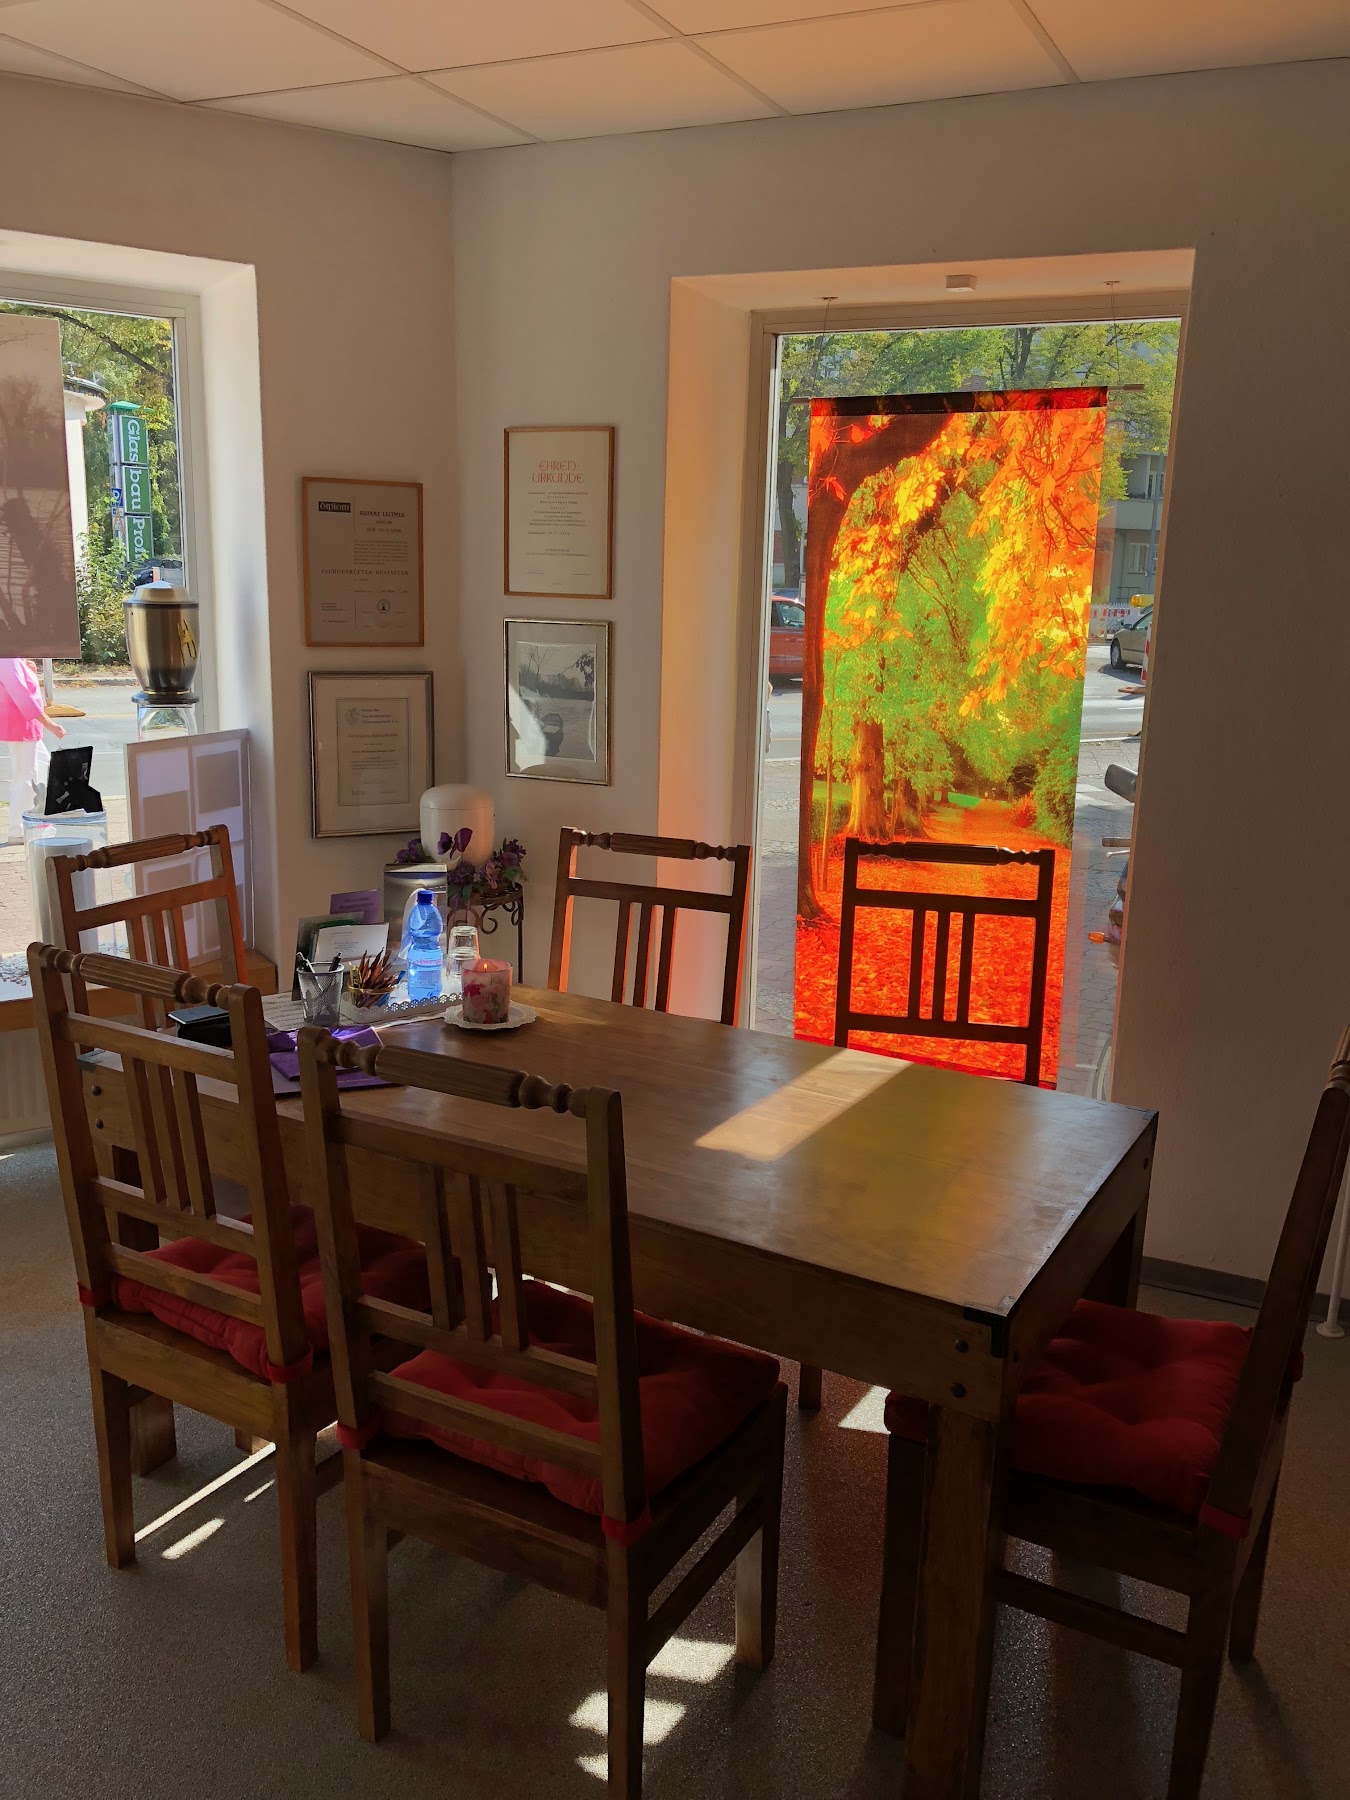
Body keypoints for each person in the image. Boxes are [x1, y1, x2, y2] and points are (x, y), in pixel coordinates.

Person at [0, 657, 66, 841]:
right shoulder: (8, 658)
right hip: (20, 728)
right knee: (25, 778)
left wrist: (30, 670)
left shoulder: (15, 658)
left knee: (43, 771)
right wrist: (51, 724)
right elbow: (23, 698)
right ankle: (18, 830)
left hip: (28, 729)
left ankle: (38, 821)